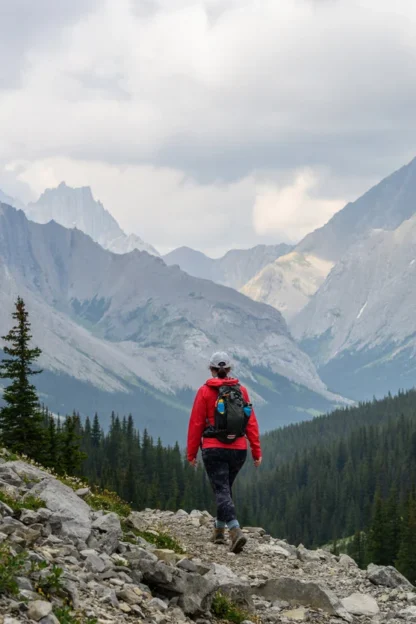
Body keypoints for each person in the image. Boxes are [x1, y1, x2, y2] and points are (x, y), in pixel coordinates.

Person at [187, 351, 262, 553]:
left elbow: (196, 423)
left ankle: (235, 530)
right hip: (238, 449)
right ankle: (219, 531)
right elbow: (251, 423)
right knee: (225, 489)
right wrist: (256, 451)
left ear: (212, 369)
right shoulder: (242, 391)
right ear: (229, 370)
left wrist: (191, 453)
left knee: (221, 490)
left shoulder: (204, 392)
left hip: (213, 448)